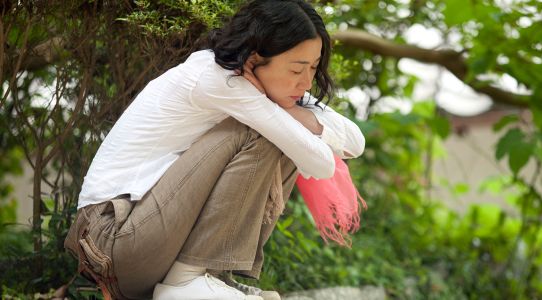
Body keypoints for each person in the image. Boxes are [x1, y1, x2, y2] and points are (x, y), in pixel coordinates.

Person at [64, 0, 365, 299]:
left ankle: (207, 276)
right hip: (113, 241)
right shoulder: (219, 79)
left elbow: (355, 141)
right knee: (261, 132)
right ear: (254, 59)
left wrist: (290, 111)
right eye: (297, 69)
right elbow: (322, 162)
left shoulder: (264, 87)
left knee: (276, 129)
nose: (307, 81)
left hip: (145, 242)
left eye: (313, 68)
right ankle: (184, 283)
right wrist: (282, 113)